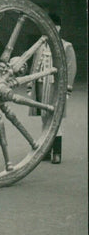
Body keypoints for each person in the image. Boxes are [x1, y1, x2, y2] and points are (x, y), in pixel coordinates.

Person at [31, 13, 77, 164]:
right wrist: (31, 87)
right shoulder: (40, 46)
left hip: (56, 87)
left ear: (58, 28)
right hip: (41, 86)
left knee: (56, 120)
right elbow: (34, 66)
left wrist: (67, 91)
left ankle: (57, 153)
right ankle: (46, 150)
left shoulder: (66, 46)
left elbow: (71, 69)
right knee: (45, 120)